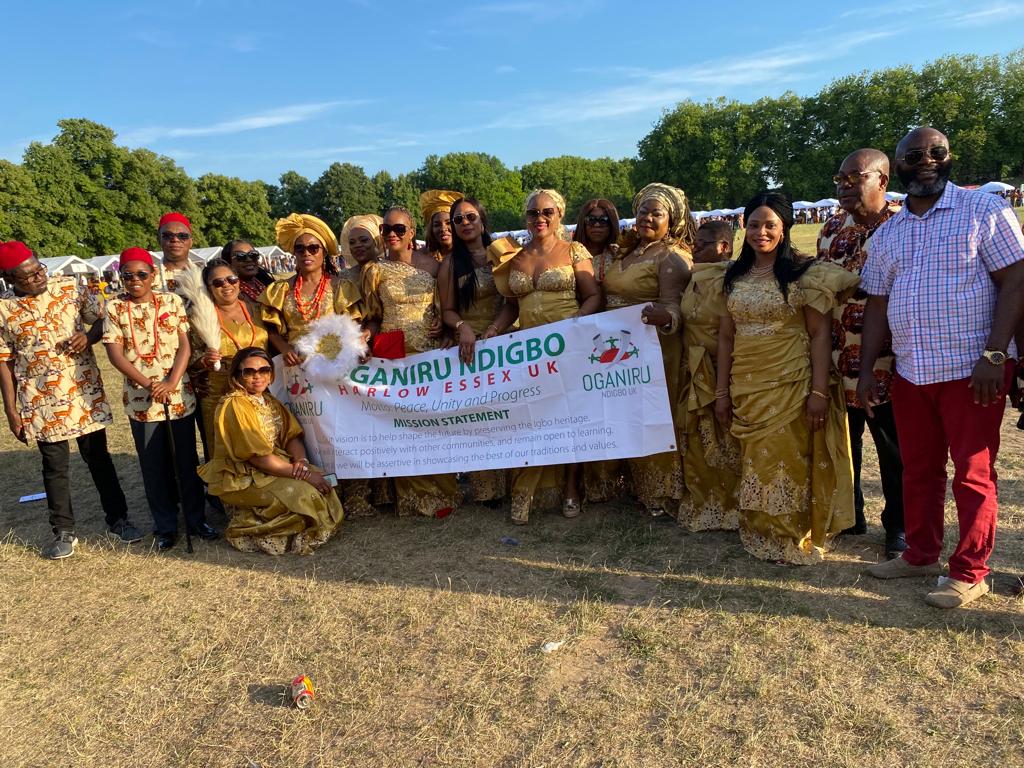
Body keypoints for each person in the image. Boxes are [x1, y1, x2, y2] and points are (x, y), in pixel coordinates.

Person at [860, 127, 1024, 608]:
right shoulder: (889, 231)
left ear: (950, 158)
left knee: (973, 474)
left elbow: (1015, 281)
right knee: (920, 469)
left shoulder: (984, 210)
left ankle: (970, 571)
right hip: (913, 371)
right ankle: (921, 553)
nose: (926, 161)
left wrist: (997, 353)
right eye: (915, 155)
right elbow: (876, 306)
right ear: (899, 166)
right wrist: (868, 369)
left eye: (937, 152)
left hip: (974, 369)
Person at [713, 192, 858, 564]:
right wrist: (721, 392)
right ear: (744, 227)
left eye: (770, 225)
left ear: (785, 228)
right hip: (746, 383)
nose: (761, 231)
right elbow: (726, 336)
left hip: (790, 381)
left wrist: (819, 392)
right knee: (755, 459)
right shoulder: (733, 275)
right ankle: (760, 529)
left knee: (786, 458)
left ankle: (792, 534)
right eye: (755, 224)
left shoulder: (804, 274)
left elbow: (819, 335)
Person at [0, 241, 140, 559]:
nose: (38, 277)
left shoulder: (70, 289)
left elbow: (105, 319)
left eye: (39, 269)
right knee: (54, 466)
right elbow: (4, 360)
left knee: (98, 458)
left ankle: (119, 519)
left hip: (82, 390)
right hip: (38, 399)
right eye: (28, 276)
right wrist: (11, 410)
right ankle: (63, 532)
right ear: (9, 279)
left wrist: (87, 336)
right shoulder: (3, 309)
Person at [488, 189, 602, 524]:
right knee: (533, 419)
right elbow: (511, 306)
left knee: (570, 418)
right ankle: (529, 492)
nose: (540, 218)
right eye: (532, 213)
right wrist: (493, 329)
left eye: (547, 212)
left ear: (560, 214)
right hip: (530, 352)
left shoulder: (574, 250)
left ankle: (571, 486)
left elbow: (592, 295)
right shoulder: (515, 257)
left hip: (568, 347)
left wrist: (577, 327)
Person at [817, 148, 906, 559]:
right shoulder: (831, 227)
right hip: (837, 359)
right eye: (839, 177)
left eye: (854, 178)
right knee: (844, 442)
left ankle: (898, 528)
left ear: (882, 181)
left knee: (893, 449)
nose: (843, 185)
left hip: (889, 361)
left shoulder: (905, 226)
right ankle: (851, 515)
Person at [585, 184, 692, 518]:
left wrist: (665, 317)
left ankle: (659, 491)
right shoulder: (629, 251)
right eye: (643, 211)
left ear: (671, 220)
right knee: (622, 413)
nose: (647, 218)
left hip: (653, 349)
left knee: (651, 415)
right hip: (617, 350)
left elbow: (675, 307)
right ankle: (624, 483)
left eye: (656, 213)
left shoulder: (672, 256)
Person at [102, 247, 218, 551]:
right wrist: (151, 385)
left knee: (186, 461)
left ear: (154, 275)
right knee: (154, 466)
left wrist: (170, 381)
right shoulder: (114, 308)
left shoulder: (171, 301)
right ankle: (165, 525)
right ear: (121, 277)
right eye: (128, 275)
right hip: (142, 401)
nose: (135, 280)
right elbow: (115, 354)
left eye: (142, 274)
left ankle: (196, 520)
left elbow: (185, 347)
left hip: (178, 396)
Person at [199, 347, 343, 554]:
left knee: (324, 480)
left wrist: (301, 463)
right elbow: (258, 459)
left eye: (264, 370)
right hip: (244, 475)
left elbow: (291, 436)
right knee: (305, 494)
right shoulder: (235, 404)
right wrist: (303, 475)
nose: (257, 377)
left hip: (274, 466)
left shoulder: (268, 400)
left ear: (271, 373)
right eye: (248, 372)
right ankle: (251, 527)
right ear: (237, 375)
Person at [363, 206, 459, 517]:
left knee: (434, 422)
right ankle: (413, 498)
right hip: (393, 353)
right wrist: (364, 337)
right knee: (402, 427)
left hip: (429, 352)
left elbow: (447, 307)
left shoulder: (434, 265)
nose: (392, 234)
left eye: (399, 229)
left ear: (412, 233)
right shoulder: (374, 270)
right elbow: (375, 316)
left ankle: (444, 491)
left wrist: (445, 329)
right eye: (386, 229)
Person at [438, 197, 506, 504]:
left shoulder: (504, 252)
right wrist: (463, 327)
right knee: (479, 418)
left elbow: (514, 300)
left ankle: (515, 479)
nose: (465, 223)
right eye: (458, 220)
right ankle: (487, 489)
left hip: (506, 339)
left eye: (470, 217)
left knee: (510, 413)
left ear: (482, 219)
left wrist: (496, 329)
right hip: (471, 348)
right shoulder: (451, 264)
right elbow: (448, 310)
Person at [677, 221, 741, 532]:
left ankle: (732, 507)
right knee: (700, 443)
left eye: (702, 244)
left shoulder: (731, 281)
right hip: (695, 369)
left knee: (726, 442)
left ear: (724, 247)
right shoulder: (694, 278)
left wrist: (722, 387)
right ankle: (707, 503)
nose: (694, 248)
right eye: (694, 243)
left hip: (722, 370)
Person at [259, 213, 362, 366]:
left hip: (333, 365)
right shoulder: (280, 290)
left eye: (313, 248)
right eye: (300, 248)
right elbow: (272, 330)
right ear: (294, 253)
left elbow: (352, 328)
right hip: (294, 365)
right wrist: (285, 349)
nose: (306, 253)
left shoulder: (339, 287)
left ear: (324, 252)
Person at [191, 258, 270, 452]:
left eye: (231, 279)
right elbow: (188, 360)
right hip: (219, 395)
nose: (226, 285)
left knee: (264, 446)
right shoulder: (200, 318)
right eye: (218, 283)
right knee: (227, 452)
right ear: (209, 289)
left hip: (261, 391)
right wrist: (204, 361)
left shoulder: (258, 309)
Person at [223, 240, 274, 312]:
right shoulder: (230, 293)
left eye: (253, 255)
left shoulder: (267, 282)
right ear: (228, 263)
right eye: (240, 256)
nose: (249, 259)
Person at [156, 212, 197, 291]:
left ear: (191, 242)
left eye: (183, 236)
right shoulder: (146, 276)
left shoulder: (204, 274)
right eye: (168, 235)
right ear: (159, 240)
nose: (175, 240)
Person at [419, 189, 462, 262]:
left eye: (448, 223)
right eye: (437, 225)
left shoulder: (471, 256)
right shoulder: (421, 257)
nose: (443, 229)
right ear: (431, 229)